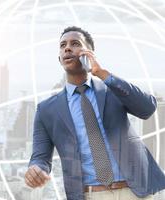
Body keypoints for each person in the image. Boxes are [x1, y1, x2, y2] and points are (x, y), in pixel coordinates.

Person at [24, 26, 165, 200]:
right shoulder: (46, 110)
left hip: (134, 192)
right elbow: (40, 157)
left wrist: (104, 75)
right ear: (59, 58)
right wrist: (36, 168)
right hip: (89, 195)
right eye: (63, 45)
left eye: (75, 43)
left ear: (89, 54)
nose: (67, 48)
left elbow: (147, 108)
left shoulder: (113, 90)